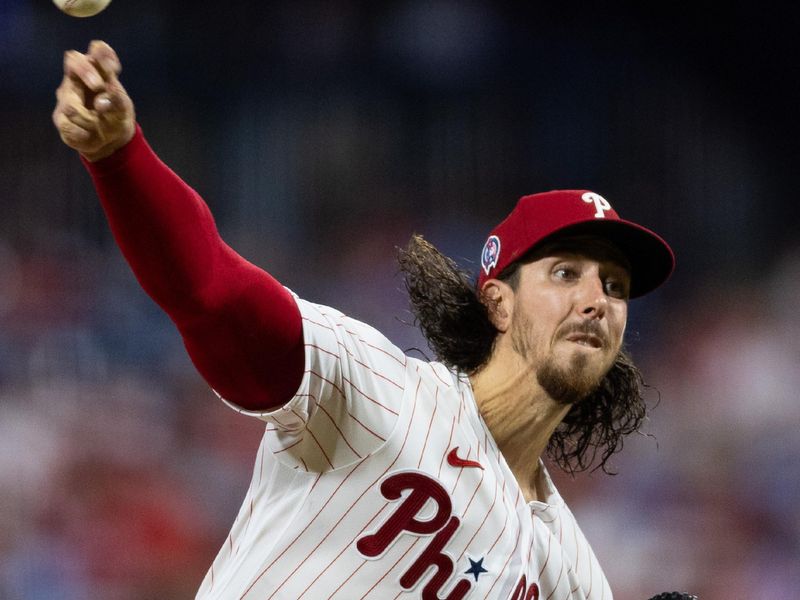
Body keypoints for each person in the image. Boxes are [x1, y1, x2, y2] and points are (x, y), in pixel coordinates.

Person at [53, 41, 674, 600]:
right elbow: (214, 294)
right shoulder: (381, 395)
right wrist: (118, 158)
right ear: (498, 302)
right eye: (566, 274)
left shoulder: (571, 574)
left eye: (615, 287)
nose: (598, 299)